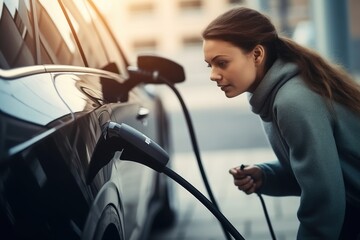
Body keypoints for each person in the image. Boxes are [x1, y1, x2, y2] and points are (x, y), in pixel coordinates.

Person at [202, 7, 360, 240]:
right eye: (210, 65)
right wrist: (265, 175)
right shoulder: (276, 95)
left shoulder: (292, 101)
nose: (213, 75)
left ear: (257, 55)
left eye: (222, 63)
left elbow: (323, 198)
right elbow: (321, 173)